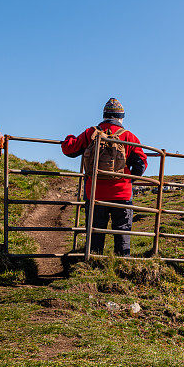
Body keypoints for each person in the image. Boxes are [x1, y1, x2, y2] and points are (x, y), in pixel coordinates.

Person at [61, 98, 147, 256]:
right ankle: (121, 266)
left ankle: (93, 264)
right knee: (122, 234)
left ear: (104, 115)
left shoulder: (91, 133)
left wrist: (69, 137)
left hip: (95, 193)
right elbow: (141, 164)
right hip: (122, 194)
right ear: (121, 117)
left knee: (95, 234)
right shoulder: (128, 136)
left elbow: (69, 149)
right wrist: (128, 180)